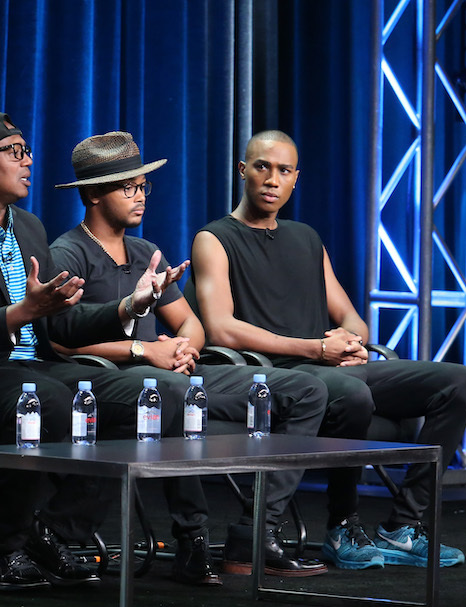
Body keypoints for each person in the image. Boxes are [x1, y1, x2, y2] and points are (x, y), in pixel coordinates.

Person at [0, 111, 220, 589]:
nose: (29, 162)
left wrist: (132, 303)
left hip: (35, 366)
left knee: (161, 394)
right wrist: (19, 314)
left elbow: (62, 321)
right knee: (46, 398)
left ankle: (51, 528)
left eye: (28, 151)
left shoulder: (27, 226)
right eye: (16, 152)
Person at [191, 130, 466, 568]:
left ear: (295, 179)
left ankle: (404, 526)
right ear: (243, 170)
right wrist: (316, 349)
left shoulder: (306, 237)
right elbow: (222, 330)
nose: (272, 179)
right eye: (263, 166)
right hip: (282, 376)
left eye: (284, 170)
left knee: (457, 381)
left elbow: (351, 316)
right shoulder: (214, 239)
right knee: (350, 391)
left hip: (331, 365)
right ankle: (340, 526)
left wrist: (353, 344)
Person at [50, 131, 330, 577]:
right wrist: (143, 351)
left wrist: (182, 348)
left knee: (306, 390)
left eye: (144, 187)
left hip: (170, 374)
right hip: (115, 380)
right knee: (174, 393)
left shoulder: (145, 251)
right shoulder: (68, 253)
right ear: (93, 195)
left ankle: (256, 530)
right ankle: (192, 537)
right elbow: (60, 340)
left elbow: (190, 322)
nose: (140, 197)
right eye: (129, 188)